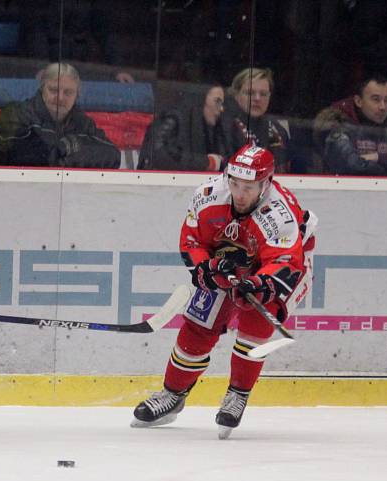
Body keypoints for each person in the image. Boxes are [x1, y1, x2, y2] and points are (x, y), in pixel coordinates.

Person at [132, 144, 317, 439]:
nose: (239, 193)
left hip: (287, 263)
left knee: (255, 318)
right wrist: (206, 269)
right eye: (234, 183)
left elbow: (285, 262)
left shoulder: (279, 215)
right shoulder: (209, 195)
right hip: (233, 254)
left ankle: (238, 393)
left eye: (248, 187)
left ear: (266, 183)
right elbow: (192, 239)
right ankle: (172, 394)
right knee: (198, 324)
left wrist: (259, 284)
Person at [0, 62, 121, 169]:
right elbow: (21, 158)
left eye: (68, 92)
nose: (60, 98)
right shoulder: (16, 114)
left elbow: (113, 155)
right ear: (42, 89)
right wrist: (65, 148)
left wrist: (70, 148)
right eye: (54, 90)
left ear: (77, 95)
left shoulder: (83, 122)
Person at [321, 75, 387, 176]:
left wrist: (379, 157)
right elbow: (351, 165)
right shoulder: (342, 130)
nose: (383, 107)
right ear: (358, 101)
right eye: (376, 99)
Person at [138, 83, 228, 171]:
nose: (221, 108)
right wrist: (207, 162)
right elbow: (157, 154)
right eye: (217, 101)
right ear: (201, 99)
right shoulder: (174, 117)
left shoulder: (206, 129)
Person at [221, 68, 290, 173]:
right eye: (250, 93)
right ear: (236, 95)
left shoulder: (278, 129)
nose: (257, 98)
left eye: (263, 94)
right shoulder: (225, 126)